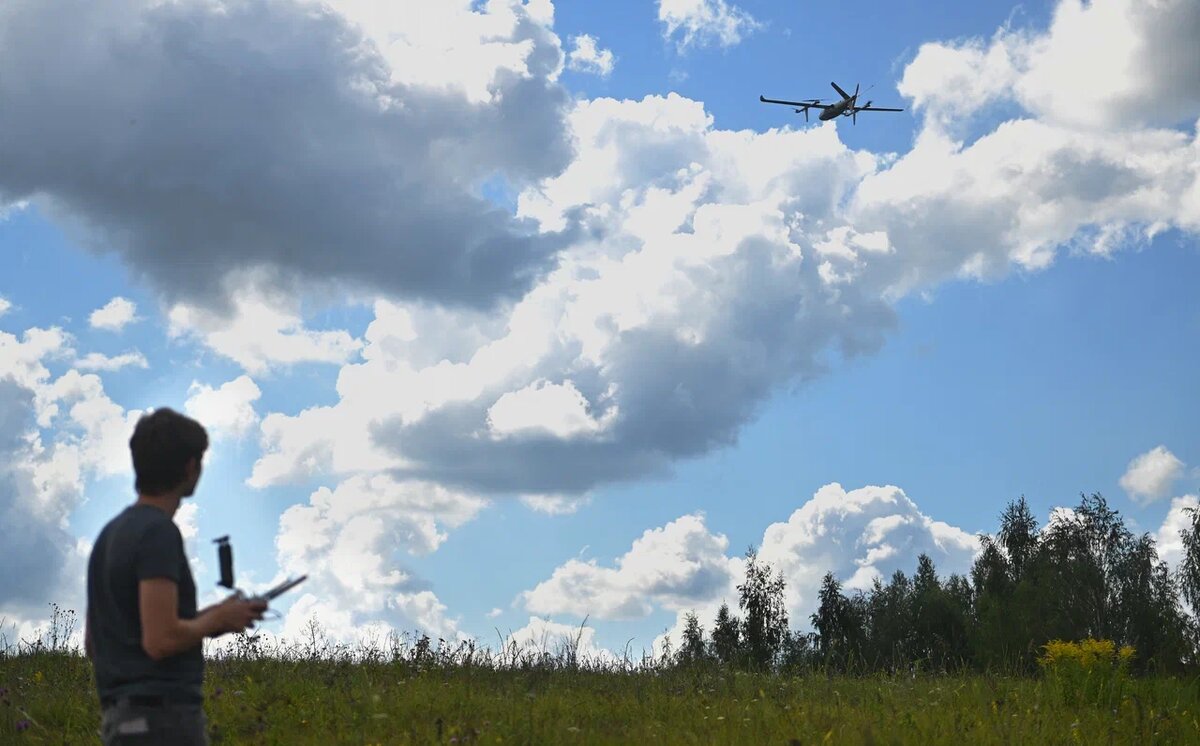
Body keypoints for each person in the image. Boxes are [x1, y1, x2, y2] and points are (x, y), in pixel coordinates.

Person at [85, 408, 266, 745]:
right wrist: (213, 621)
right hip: (162, 723)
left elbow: (96, 643)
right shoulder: (158, 533)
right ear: (190, 467)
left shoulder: (108, 536)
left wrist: (215, 618)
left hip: (120, 721)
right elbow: (160, 640)